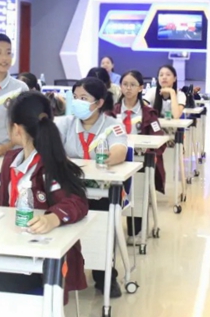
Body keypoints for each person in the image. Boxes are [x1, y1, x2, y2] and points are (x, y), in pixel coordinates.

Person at [0, 91, 88, 303]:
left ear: (16, 129)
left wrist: (52, 218)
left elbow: (77, 202)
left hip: (39, 259)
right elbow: (0, 199)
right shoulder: (11, 160)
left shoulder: (51, 163)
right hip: (8, 246)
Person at [54, 76, 128, 297]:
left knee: (103, 225)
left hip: (101, 190)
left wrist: (98, 163)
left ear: (99, 103)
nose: (78, 102)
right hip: (69, 188)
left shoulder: (112, 125)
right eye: (75, 97)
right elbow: (52, 151)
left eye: (84, 98)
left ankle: (105, 276)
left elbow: (119, 151)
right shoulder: (64, 124)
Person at [113, 70, 166, 243]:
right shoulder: (112, 112)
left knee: (137, 192)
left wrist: (150, 152)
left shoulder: (149, 113)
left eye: (132, 85)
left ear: (141, 88)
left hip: (140, 161)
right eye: (125, 84)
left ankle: (136, 231)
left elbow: (159, 138)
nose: (128, 88)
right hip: (116, 159)